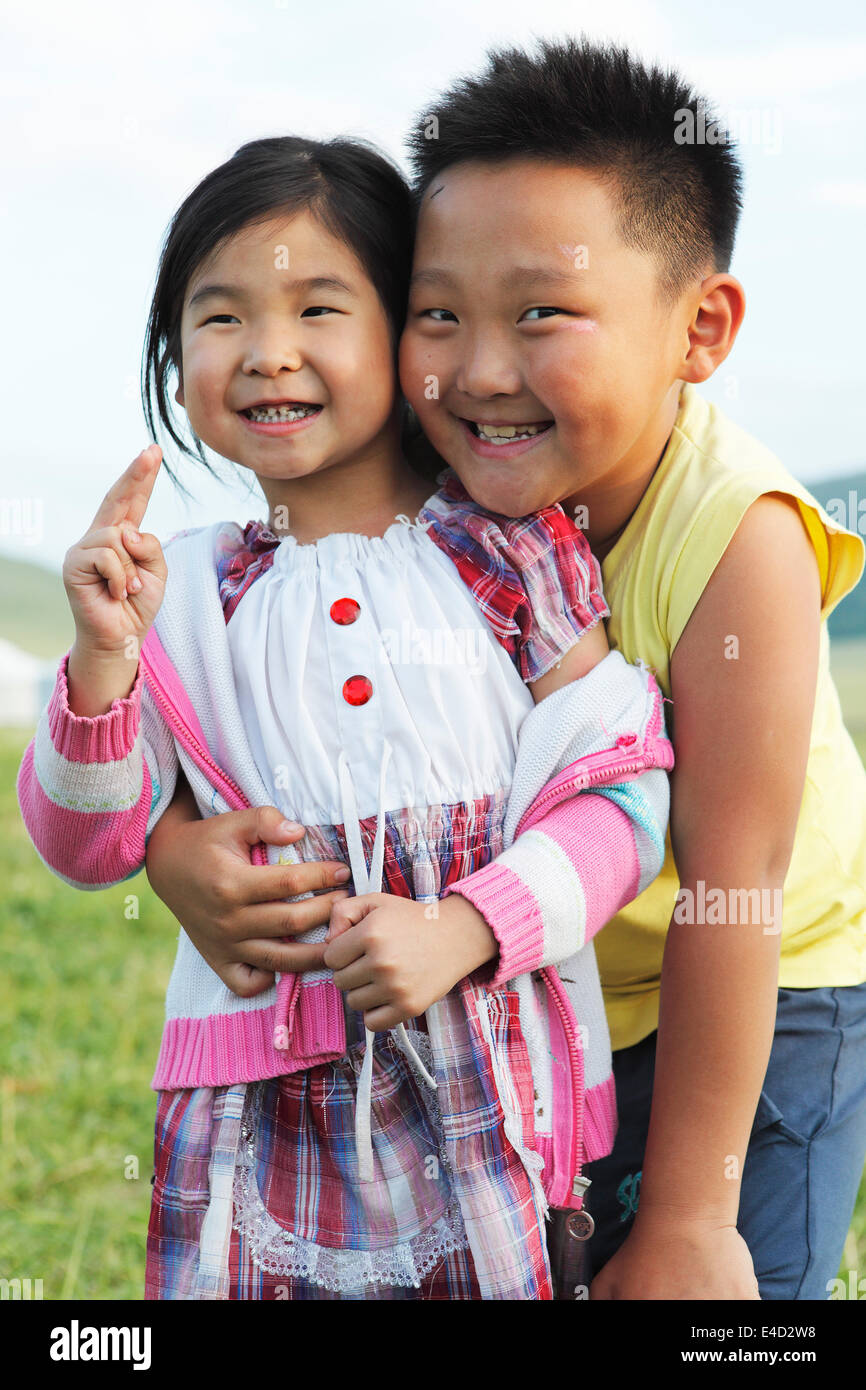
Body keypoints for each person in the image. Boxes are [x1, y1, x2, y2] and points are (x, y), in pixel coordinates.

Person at [149, 37, 866, 1301]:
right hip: (533, 982)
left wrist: (694, 1217)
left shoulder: (733, 537)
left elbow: (732, 888)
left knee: (698, 1287)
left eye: (541, 312)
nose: (478, 369)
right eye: (438, 313)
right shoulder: (452, 490)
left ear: (697, 328)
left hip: (758, 992)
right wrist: (174, 856)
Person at [16, 133, 673, 1300]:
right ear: (174, 366)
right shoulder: (181, 595)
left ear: (406, 335)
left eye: (318, 307)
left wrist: (465, 926)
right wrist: (105, 660)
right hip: (255, 1115)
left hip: (484, 1087)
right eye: (219, 319)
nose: (268, 353)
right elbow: (86, 844)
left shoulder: (506, 552)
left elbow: (621, 795)